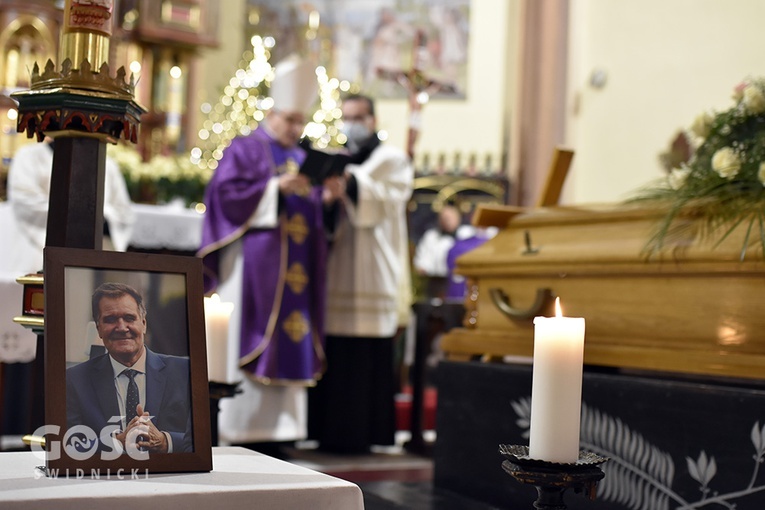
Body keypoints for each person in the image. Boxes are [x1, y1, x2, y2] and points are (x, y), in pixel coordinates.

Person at [198, 55, 336, 449]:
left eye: (300, 122)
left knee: (294, 335)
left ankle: (284, 431)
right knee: (248, 330)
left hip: (297, 268)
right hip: (252, 265)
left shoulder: (304, 158)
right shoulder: (245, 148)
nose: (296, 129)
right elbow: (223, 196)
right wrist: (275, 190)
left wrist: (325, 199)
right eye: (289, 120)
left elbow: (314, 219)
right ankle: (240, 428)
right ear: (271, 112)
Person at [308, 93, 413, 453]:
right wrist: (328, 200)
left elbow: (387, 201)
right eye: (346, 117)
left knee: (366, 354)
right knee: (337, 353)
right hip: (340, 267)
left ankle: (365, 434)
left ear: (372, 120)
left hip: (374, 267)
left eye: (358, 117)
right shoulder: (340, 159)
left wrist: (349, 186)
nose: (351, 124)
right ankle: (328, 433)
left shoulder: (393, 159)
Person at [66, 282, 192, 454]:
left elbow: (199, 439)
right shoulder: (74, 379)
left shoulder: (185, 372)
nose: (122, 327)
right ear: (99, 329)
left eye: (129, 318)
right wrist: (117, 442)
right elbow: (69, 445)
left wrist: (164, 441)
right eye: (110, 320)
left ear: (144, 324)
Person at [6, 138, 134, 274]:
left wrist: (101, 218)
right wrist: (81, 215)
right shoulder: (29, 156)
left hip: (99, 244)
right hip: (40, 243)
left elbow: (123, 212)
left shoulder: (108, 164)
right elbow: (25, 200)